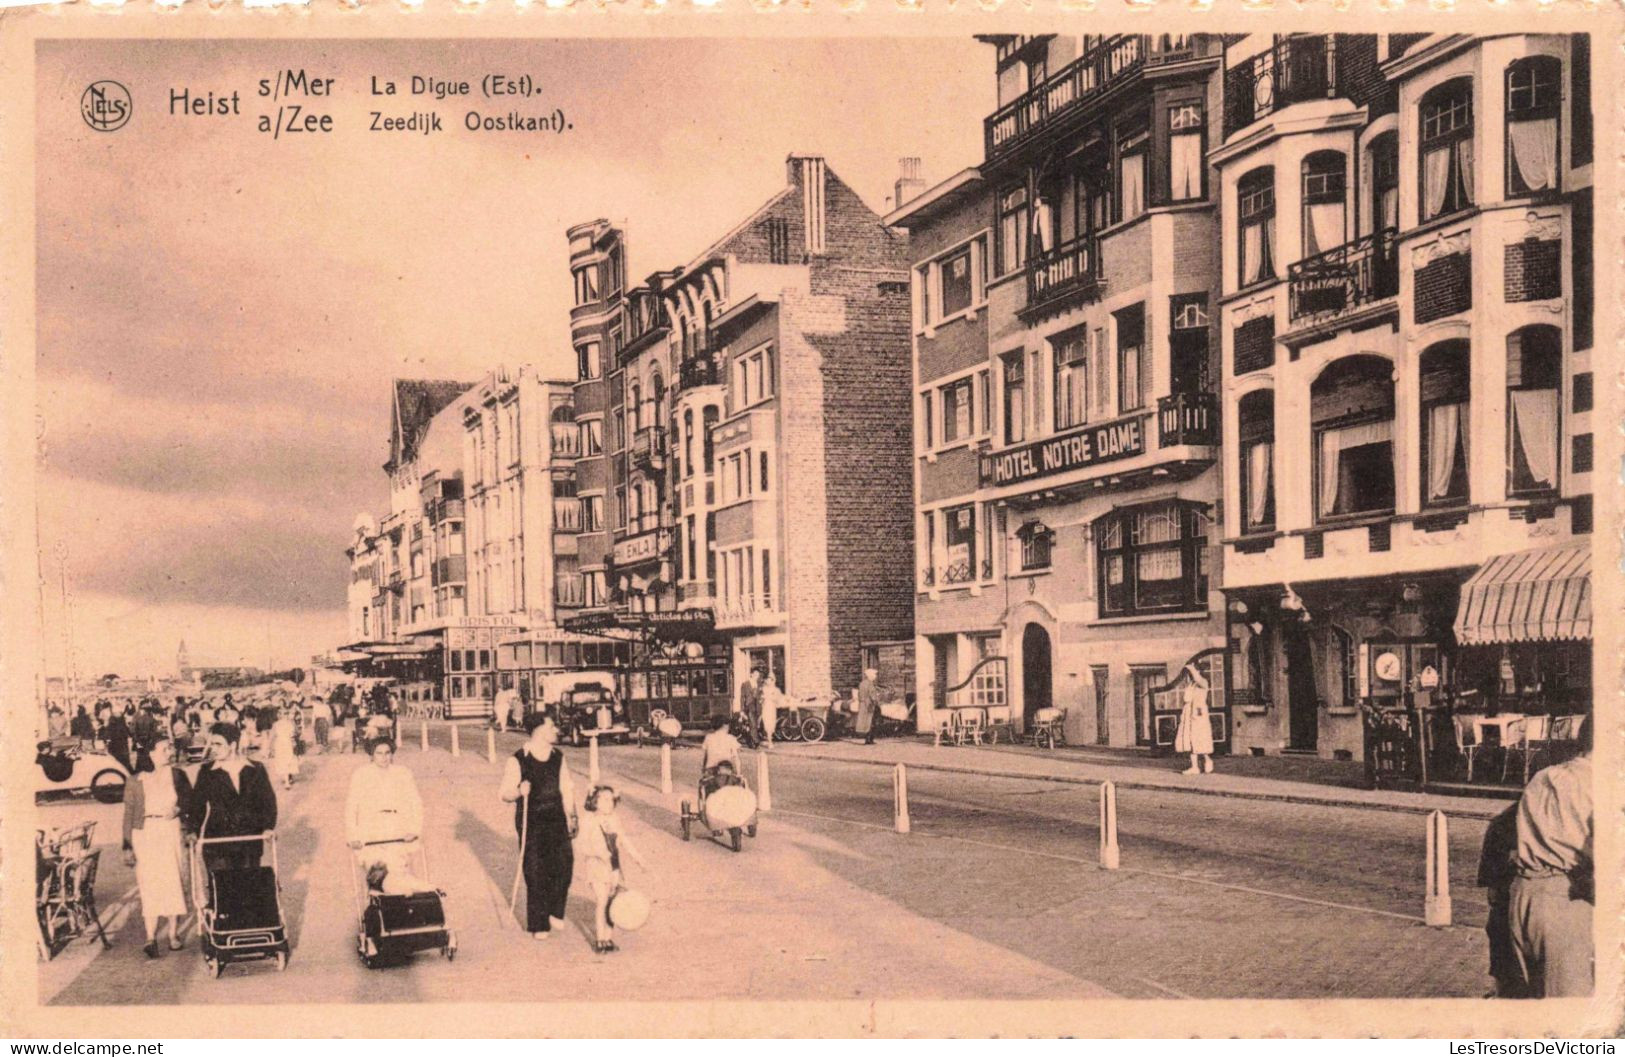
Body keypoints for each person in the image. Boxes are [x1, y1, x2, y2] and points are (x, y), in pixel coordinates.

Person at [1507, 725, 1592, 997]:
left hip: (1523, 897)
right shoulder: (1601, 785)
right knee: (1570, 1023)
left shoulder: (1544, 776)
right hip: (1566, 903)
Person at [498, 714, 578, 939]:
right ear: (539, 730)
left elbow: (566, 788)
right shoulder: (518, 759)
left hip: (556, 817)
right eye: (551, 726)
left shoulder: (558, 757)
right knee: (535, 871)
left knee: (564, 865)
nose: (556, 730)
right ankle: (539, 924)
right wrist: (518, 791)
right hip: (531, 820)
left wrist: (572, 815)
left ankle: (555, 910)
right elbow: (504, 793)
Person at [122, 737, 192, 958]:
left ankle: (173, 935)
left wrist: (179, 809)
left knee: (173, 881)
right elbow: (129, 814)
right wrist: (126, 846)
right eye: (164, 749)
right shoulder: (135, 781)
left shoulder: (177, 775)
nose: (169, 752)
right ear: (150, 754)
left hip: (170, 830)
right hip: (145, 834)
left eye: (170, 747)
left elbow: (191, 800)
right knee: (150, 884)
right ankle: (150, 937)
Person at [185, 723, 278, 872]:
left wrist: (268, 827)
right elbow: (198, 804)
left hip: (249, 839)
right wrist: (193, 831)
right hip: (217, 841)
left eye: (218, 744)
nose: (213, 748)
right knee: (222, 888)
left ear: (232, 745)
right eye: (211, 744)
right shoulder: (206, 772)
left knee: (247, 885)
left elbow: (267, 801)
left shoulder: (256, 769)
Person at [346, 738, 429, 894]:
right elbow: (351, 807)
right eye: (379, 753)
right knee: (376, 868)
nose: (384, 758)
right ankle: (379, 905)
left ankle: (402, 899)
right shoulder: (361, 774)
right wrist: (353, 835)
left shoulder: (403, 773)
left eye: (387, 753)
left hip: (397, 827)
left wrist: (414, 829)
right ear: (372, 755)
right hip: (370, 828)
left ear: (392, 754)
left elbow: (415, 803)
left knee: (397, 867)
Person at [578, 784, 652, 954]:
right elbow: (581, 845)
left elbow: (625, 841)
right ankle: (600, 940)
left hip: (614, 866)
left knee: (613, 902)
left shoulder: (614, 819)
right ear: (594, 801)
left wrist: (639, 860)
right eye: (604, 800)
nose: (609, 803)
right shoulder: (588, 820)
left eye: (611, 800)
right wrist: (597, 853)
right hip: (596, 866)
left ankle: (609, 938)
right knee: (602, 900)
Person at [1477, 801, 1526, 998]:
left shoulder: (1507, 818)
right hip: (1509, 893)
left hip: (1511, 894)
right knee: (1499, 931)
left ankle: (1503, 988)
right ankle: (1502, 987)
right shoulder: (1507, 820)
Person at [1174, 663, 1214, 775]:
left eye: (1194, 672)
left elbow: (1197, 679)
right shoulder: (1191, 684)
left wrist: (1191, 668)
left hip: (1199, 713)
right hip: (1188, 713)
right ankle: (1194, 767)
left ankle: (1207, 760)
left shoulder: (1203, 682)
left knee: (1199, 738)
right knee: (1190, 740)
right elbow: (1186, 698)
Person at [268, 708, 299, 790]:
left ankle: (287, 781)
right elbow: (295, 733)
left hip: (281, 743)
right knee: (287, 760)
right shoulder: (289, 723)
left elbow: (272, 736)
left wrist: (270, 746)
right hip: (286, 743)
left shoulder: (276, 724)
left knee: (284, 761)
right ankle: (287, 779)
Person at [855, 667, 882, 746]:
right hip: (869, 704)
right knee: (871, 721)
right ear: (870, 675)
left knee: (865, 721)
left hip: (862, 704)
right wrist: (877, 701)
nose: (875, 676)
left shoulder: (862, 683)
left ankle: (867, 739)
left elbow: (859, 694)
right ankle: (869, 739)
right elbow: (872, 695)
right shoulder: (870, 684)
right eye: (874, 675)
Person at [739, 669, 764, 745]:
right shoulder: (745, 684)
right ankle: (756, 741)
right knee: (753, 724)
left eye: (758, 675)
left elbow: (761, 695)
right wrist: (741, 710)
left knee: (755, 724)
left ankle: (750, 740)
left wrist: (761, 700)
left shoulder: (759, 684)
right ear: (751, 674)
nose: (757, 677)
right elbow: (742, 697)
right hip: (749, 706)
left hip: (758, 707)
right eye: (755, 675)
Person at [760, 675, 784, 748]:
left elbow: (779, 699)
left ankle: (769, 739)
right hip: (765, 708)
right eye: (767, 680)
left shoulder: (776, 690)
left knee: (772, 723)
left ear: (773, 681)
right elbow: (760, 699)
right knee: (767, 723)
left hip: (772, 708)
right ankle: (769, 741)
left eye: (770, 680)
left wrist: (774, 700)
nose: (769, 682)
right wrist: (762, 700)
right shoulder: (763, 689)